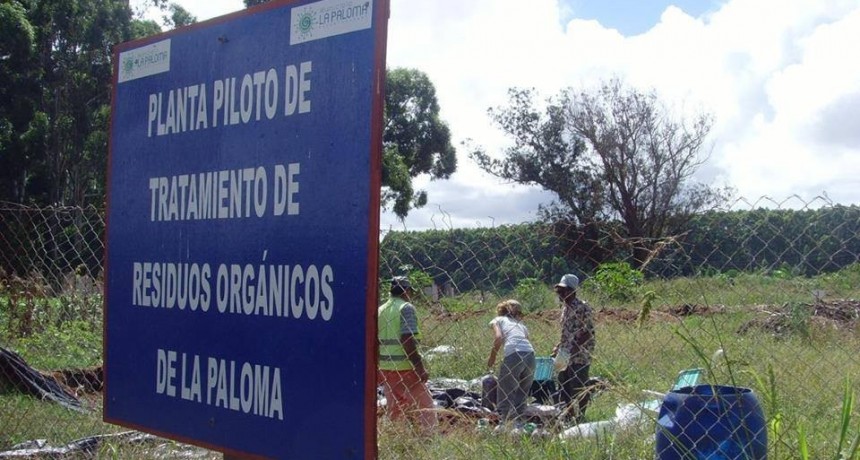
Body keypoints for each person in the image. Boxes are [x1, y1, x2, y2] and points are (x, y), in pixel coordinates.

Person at [377, 276, 436, 431]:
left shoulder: (380, 310)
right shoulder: (406, 308)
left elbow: (375, 341)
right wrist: (419, 367)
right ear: (406, 291)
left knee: (395, 407)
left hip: (386, 367)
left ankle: (396, 436)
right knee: (426, 407)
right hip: (405, 367)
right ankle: (428, 437)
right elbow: (407, 340)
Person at [552, 273, 595, 423]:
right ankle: (568, 415)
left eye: (563, 291)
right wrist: (559, 346)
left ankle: (581, 415)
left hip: (580, 354)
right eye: (559, 291)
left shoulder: (583, 307)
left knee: (579, 385)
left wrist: (574, 349)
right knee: (563, 384)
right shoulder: (565, 309)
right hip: (565, 353)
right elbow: (566, 332)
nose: (561, 294)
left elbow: (588, 333)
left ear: (572, 291)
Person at [486, 299, 535, 423]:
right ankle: (520, 423)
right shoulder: (521, 326)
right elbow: (527, 341)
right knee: (522, 394)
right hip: (530, 355)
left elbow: (498, 338)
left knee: (505, 391)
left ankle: (504, 423)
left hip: (514, 354)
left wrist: (492, 358)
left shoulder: (498, 320)